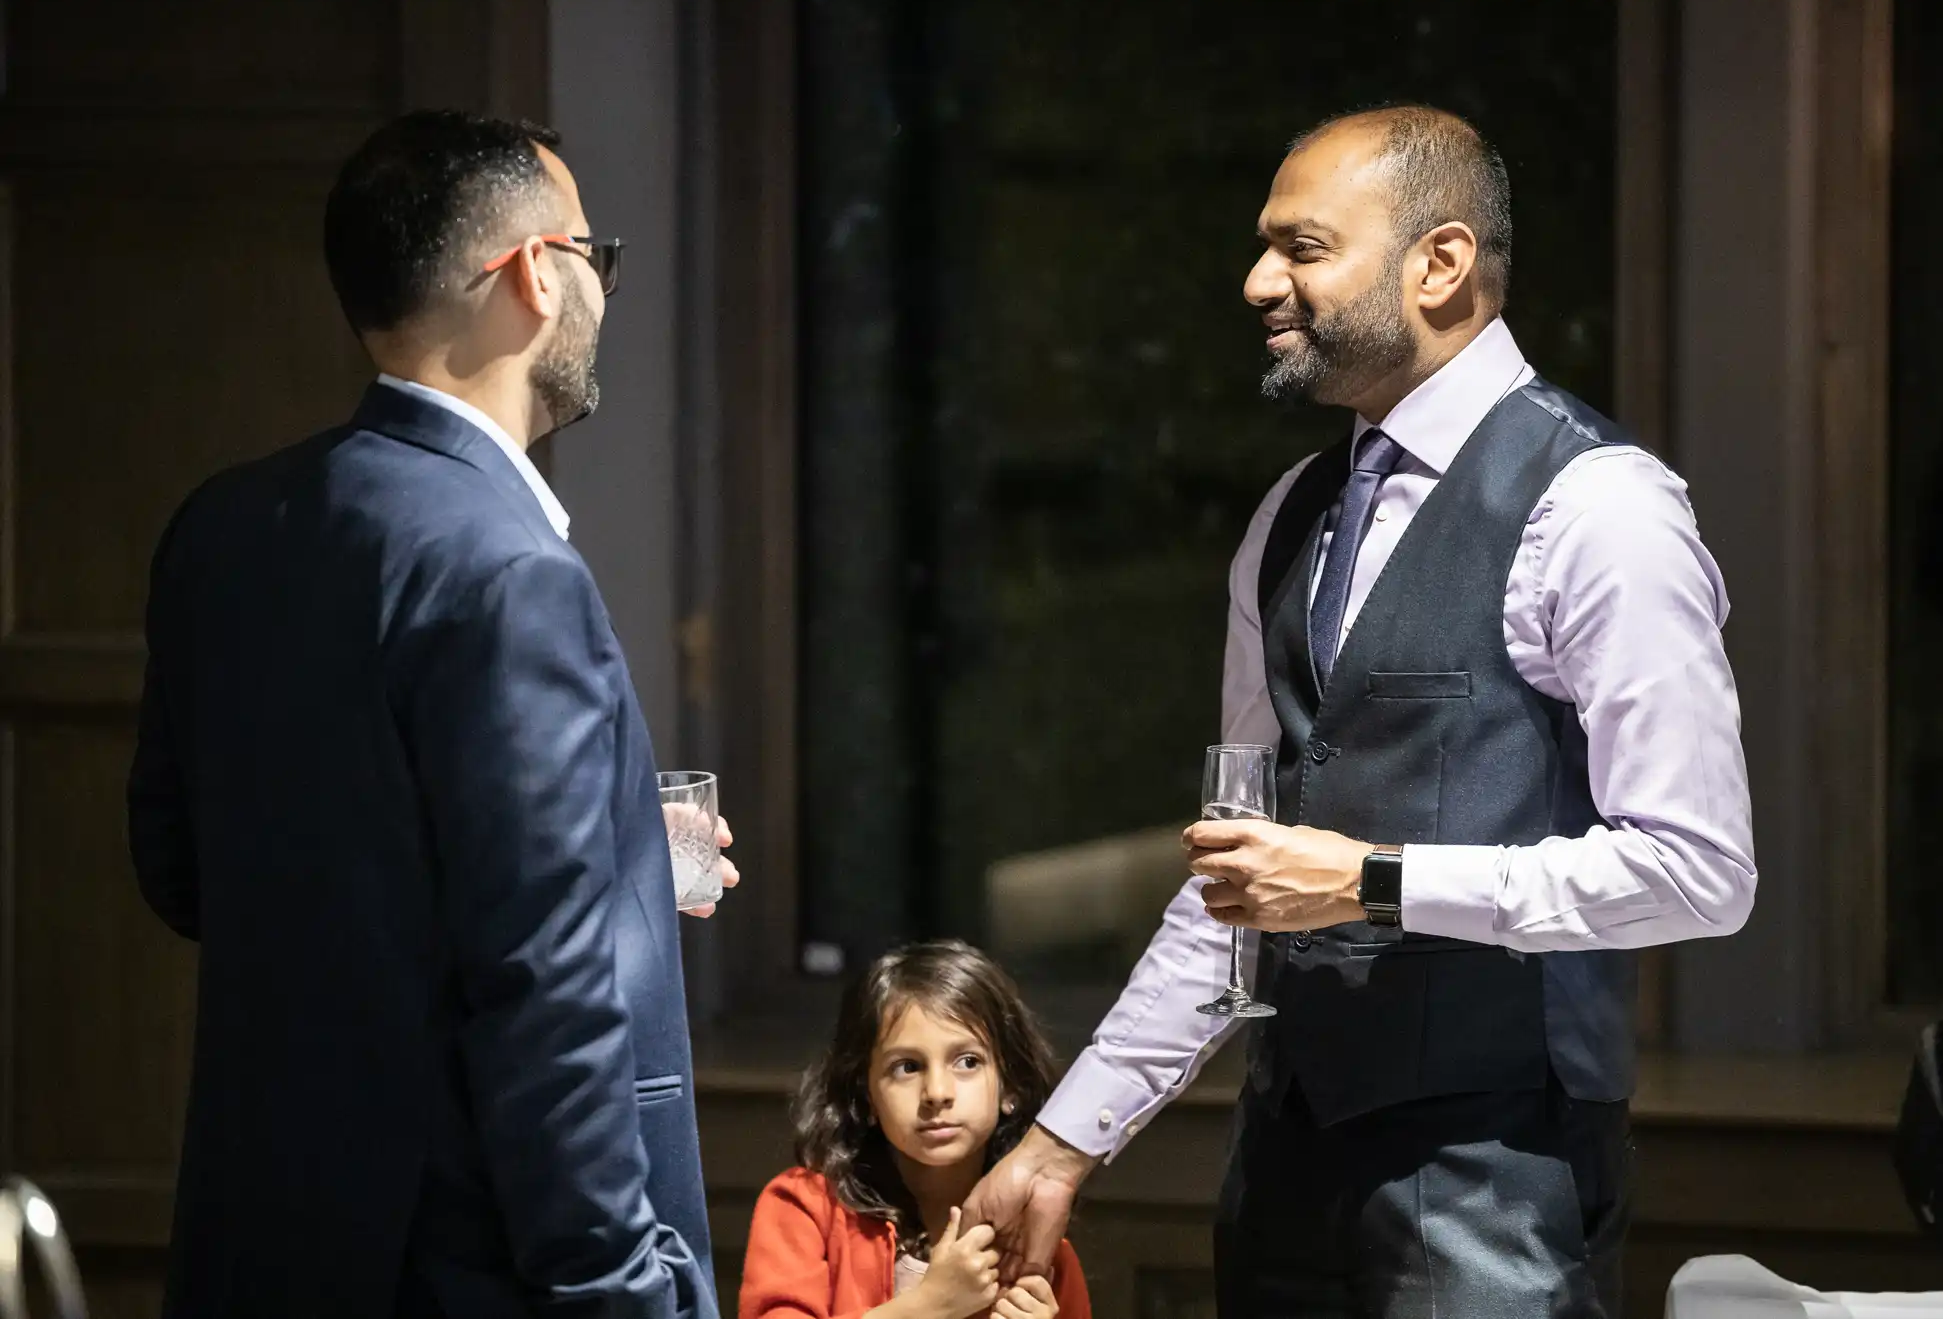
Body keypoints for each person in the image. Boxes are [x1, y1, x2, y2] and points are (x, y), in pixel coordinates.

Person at [966, 104, 1758, 1318]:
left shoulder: (1599, 509)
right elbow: (1231, 876)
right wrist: (1064, 1141)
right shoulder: (1289, 512)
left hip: (1503, 1171)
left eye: (1300, 247)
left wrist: (1372, 881)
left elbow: (1698, 869)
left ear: (1436, 264)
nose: (1254, 282)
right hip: (1284, 1156)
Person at [127, 110, 730, 1319]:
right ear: (530, 275)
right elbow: (544, 997)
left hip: (260, 1240)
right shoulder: (511, 571)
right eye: (592, 257)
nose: (600, 292)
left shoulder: (227, 526)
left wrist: (618, 862)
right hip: (465, 1265)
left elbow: (188, 870)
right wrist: (620, 1294)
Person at [740, 942, 1090, 1319]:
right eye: (907, 1067)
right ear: (866, 1095)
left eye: (967, 1062)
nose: (937, 1093)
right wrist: (929, 1306)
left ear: (1011, 1088)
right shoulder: (804, 1209)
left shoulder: (1037, 1246)